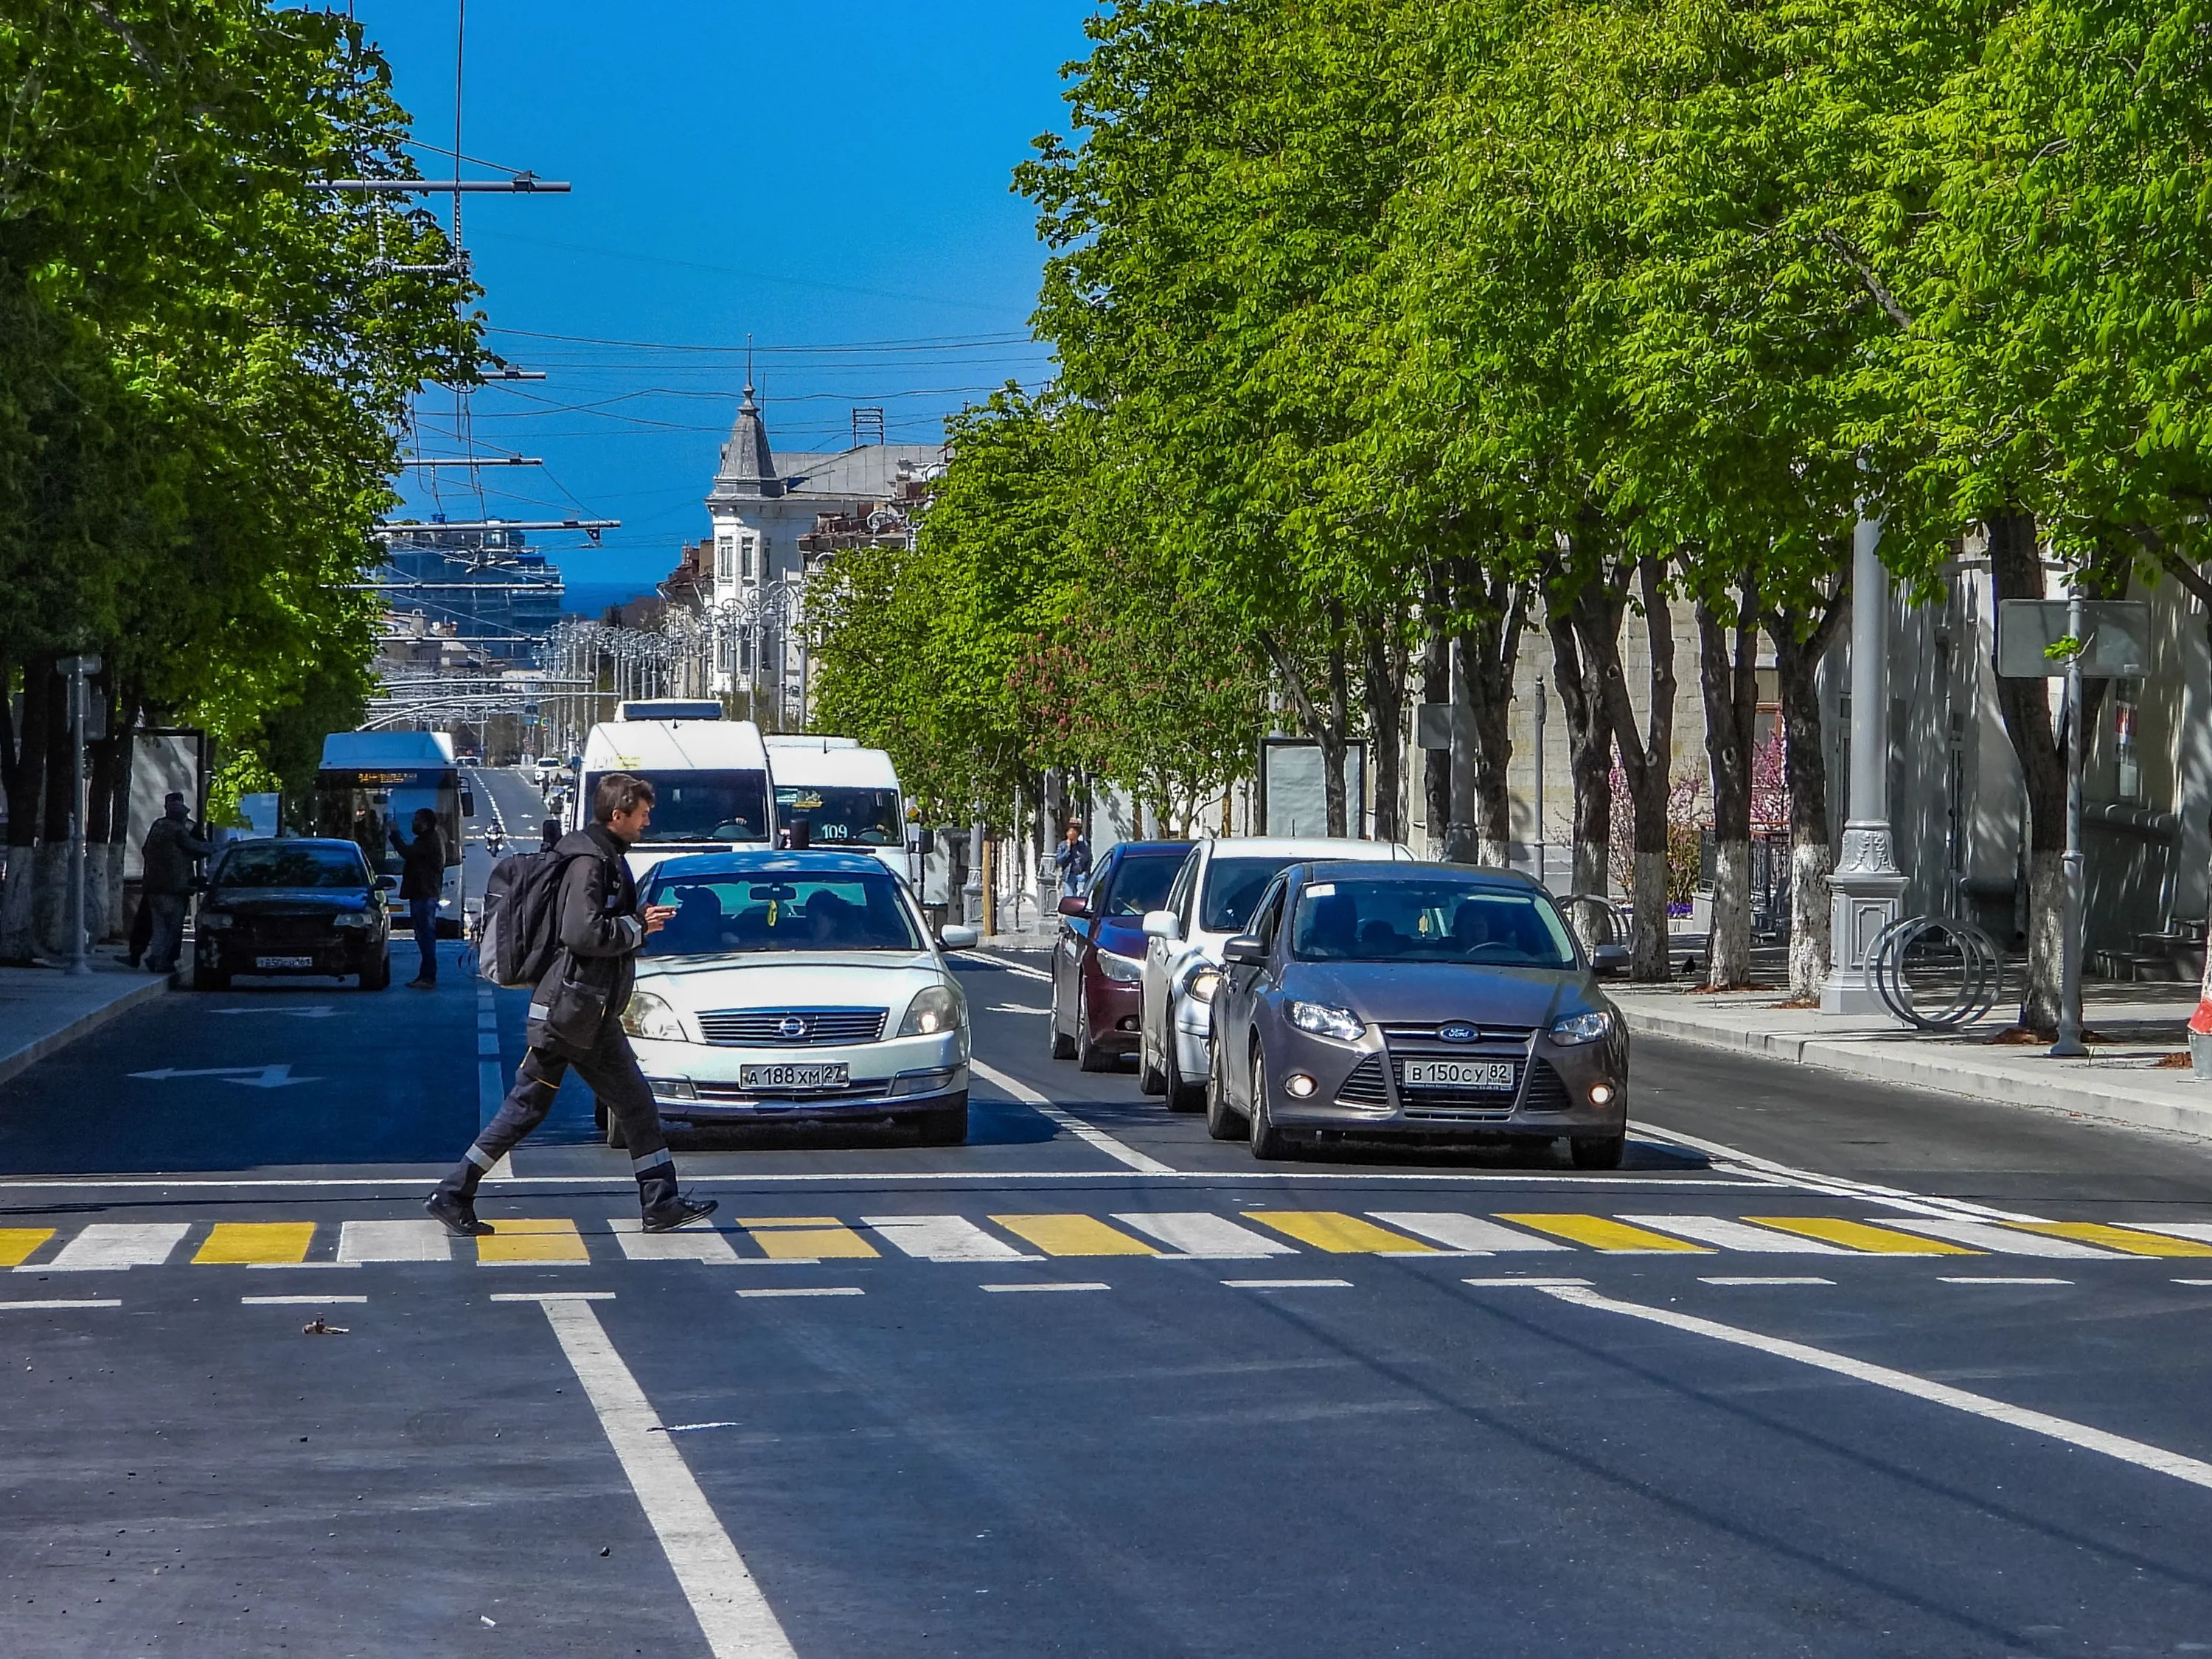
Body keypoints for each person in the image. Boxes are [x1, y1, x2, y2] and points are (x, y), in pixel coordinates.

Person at [425, 773, 715, 1238]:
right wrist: (637, 928)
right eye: (642, 814)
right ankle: (455, 1192)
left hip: (580, 1011)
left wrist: (631, 926)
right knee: (589, 1106)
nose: (647, 821)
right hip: (575, 1013)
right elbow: (582, 934)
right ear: (616, 814)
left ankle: (660, 1203)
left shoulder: (596, 855)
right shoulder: (590, 862)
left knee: (583, 1106)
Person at [141, 793, 211, 975]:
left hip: (153, 886)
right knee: (172, 928)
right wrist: (224, 847)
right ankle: (162, 960)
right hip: (175, 888)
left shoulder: (158, 826)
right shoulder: (180, 831)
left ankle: (155, 956)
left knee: (159, 927)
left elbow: (145, 850)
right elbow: (199, 848)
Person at [388, 808, 447, 989]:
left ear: (426, 823)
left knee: (426, 936)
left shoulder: (429, 841)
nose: (413, 823)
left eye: (416, 820)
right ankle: (425, 975)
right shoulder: (427, 840)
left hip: (425, 894)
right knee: (423, 936)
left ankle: (428, 976)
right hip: (422, 893)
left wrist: (395, 833)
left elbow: (408, 853)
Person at [1054, 821, 1092, 900]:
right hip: (1069, 876)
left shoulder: (1084, 846)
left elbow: (1089, 860)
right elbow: (1059, 861)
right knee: (1069, 899)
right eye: (1071, 831)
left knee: (1081, 899)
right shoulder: (1062, 846)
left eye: (1076, 831)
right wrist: (1068, 851)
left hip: (1081, 875)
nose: (1073, 833)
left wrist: (1086, 873)